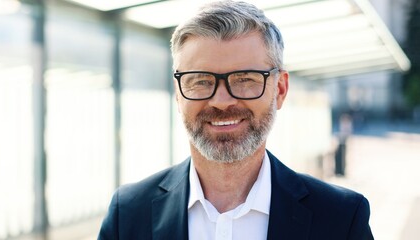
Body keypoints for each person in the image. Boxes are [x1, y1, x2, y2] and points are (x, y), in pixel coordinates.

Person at [98, 1, 374, 239]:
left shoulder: (341, 218)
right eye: (201, 81)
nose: (221, 101)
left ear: (279, 90)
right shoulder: (129, 214)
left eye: (244, 79)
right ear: (178, 94)